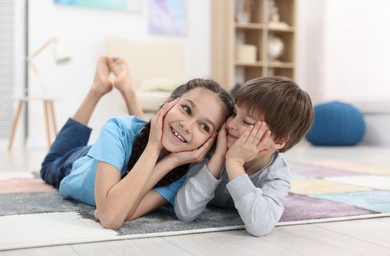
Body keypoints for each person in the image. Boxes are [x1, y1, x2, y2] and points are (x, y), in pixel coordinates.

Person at [40, 56, 234, 230]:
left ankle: (127, 90)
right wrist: (153, 147)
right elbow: (111, 216)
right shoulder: (117, 128)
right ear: (169, 103)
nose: (187, 125)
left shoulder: (179, 175)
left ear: (210, 141)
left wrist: (169, 163)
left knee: (148, 135)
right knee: (48, 165)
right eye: (186, 109)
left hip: (130, 151)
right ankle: (96, 90)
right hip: (76, 164)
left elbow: (115, 214)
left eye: (204, 127)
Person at [174, 76, 314, 237]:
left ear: (279, 140)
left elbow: (260, 226)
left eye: (247, 122)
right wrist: (219, 158)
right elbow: (184, 210)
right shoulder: (213, 146)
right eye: (234, 113)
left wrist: (234, 163)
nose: (231, 124)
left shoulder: (276, 175)